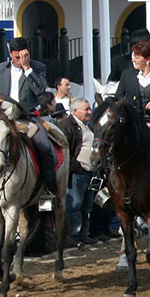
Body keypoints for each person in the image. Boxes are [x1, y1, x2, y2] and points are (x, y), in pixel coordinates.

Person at [0, 37, 57, 194]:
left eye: (22, 57)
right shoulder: (1, 68)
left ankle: (49, 189)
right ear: (10, 54)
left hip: (28, 117)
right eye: (16, 57)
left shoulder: (38, 67)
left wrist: (27, 68)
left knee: (45, 147)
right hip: (4, 117)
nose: (19, 60)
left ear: (27, 54)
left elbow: (40, 91)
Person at [61, 98, 98, 245]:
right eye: (86, 109)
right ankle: (73, 236)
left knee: (87, 206)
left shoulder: (87, 126)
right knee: (75, 204)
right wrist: (75, 167)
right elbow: (64, 149)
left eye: (90, 109)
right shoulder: (67, 125)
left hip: (91, 171)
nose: (89, 112)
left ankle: (84, 235)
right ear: (75, 111)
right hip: (78, 172)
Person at [114, 40, 150, 117]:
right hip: (132, 121)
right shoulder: (127, 75)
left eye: (137, 57)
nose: (133, 60)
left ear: (148, 60)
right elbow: (118, 97)